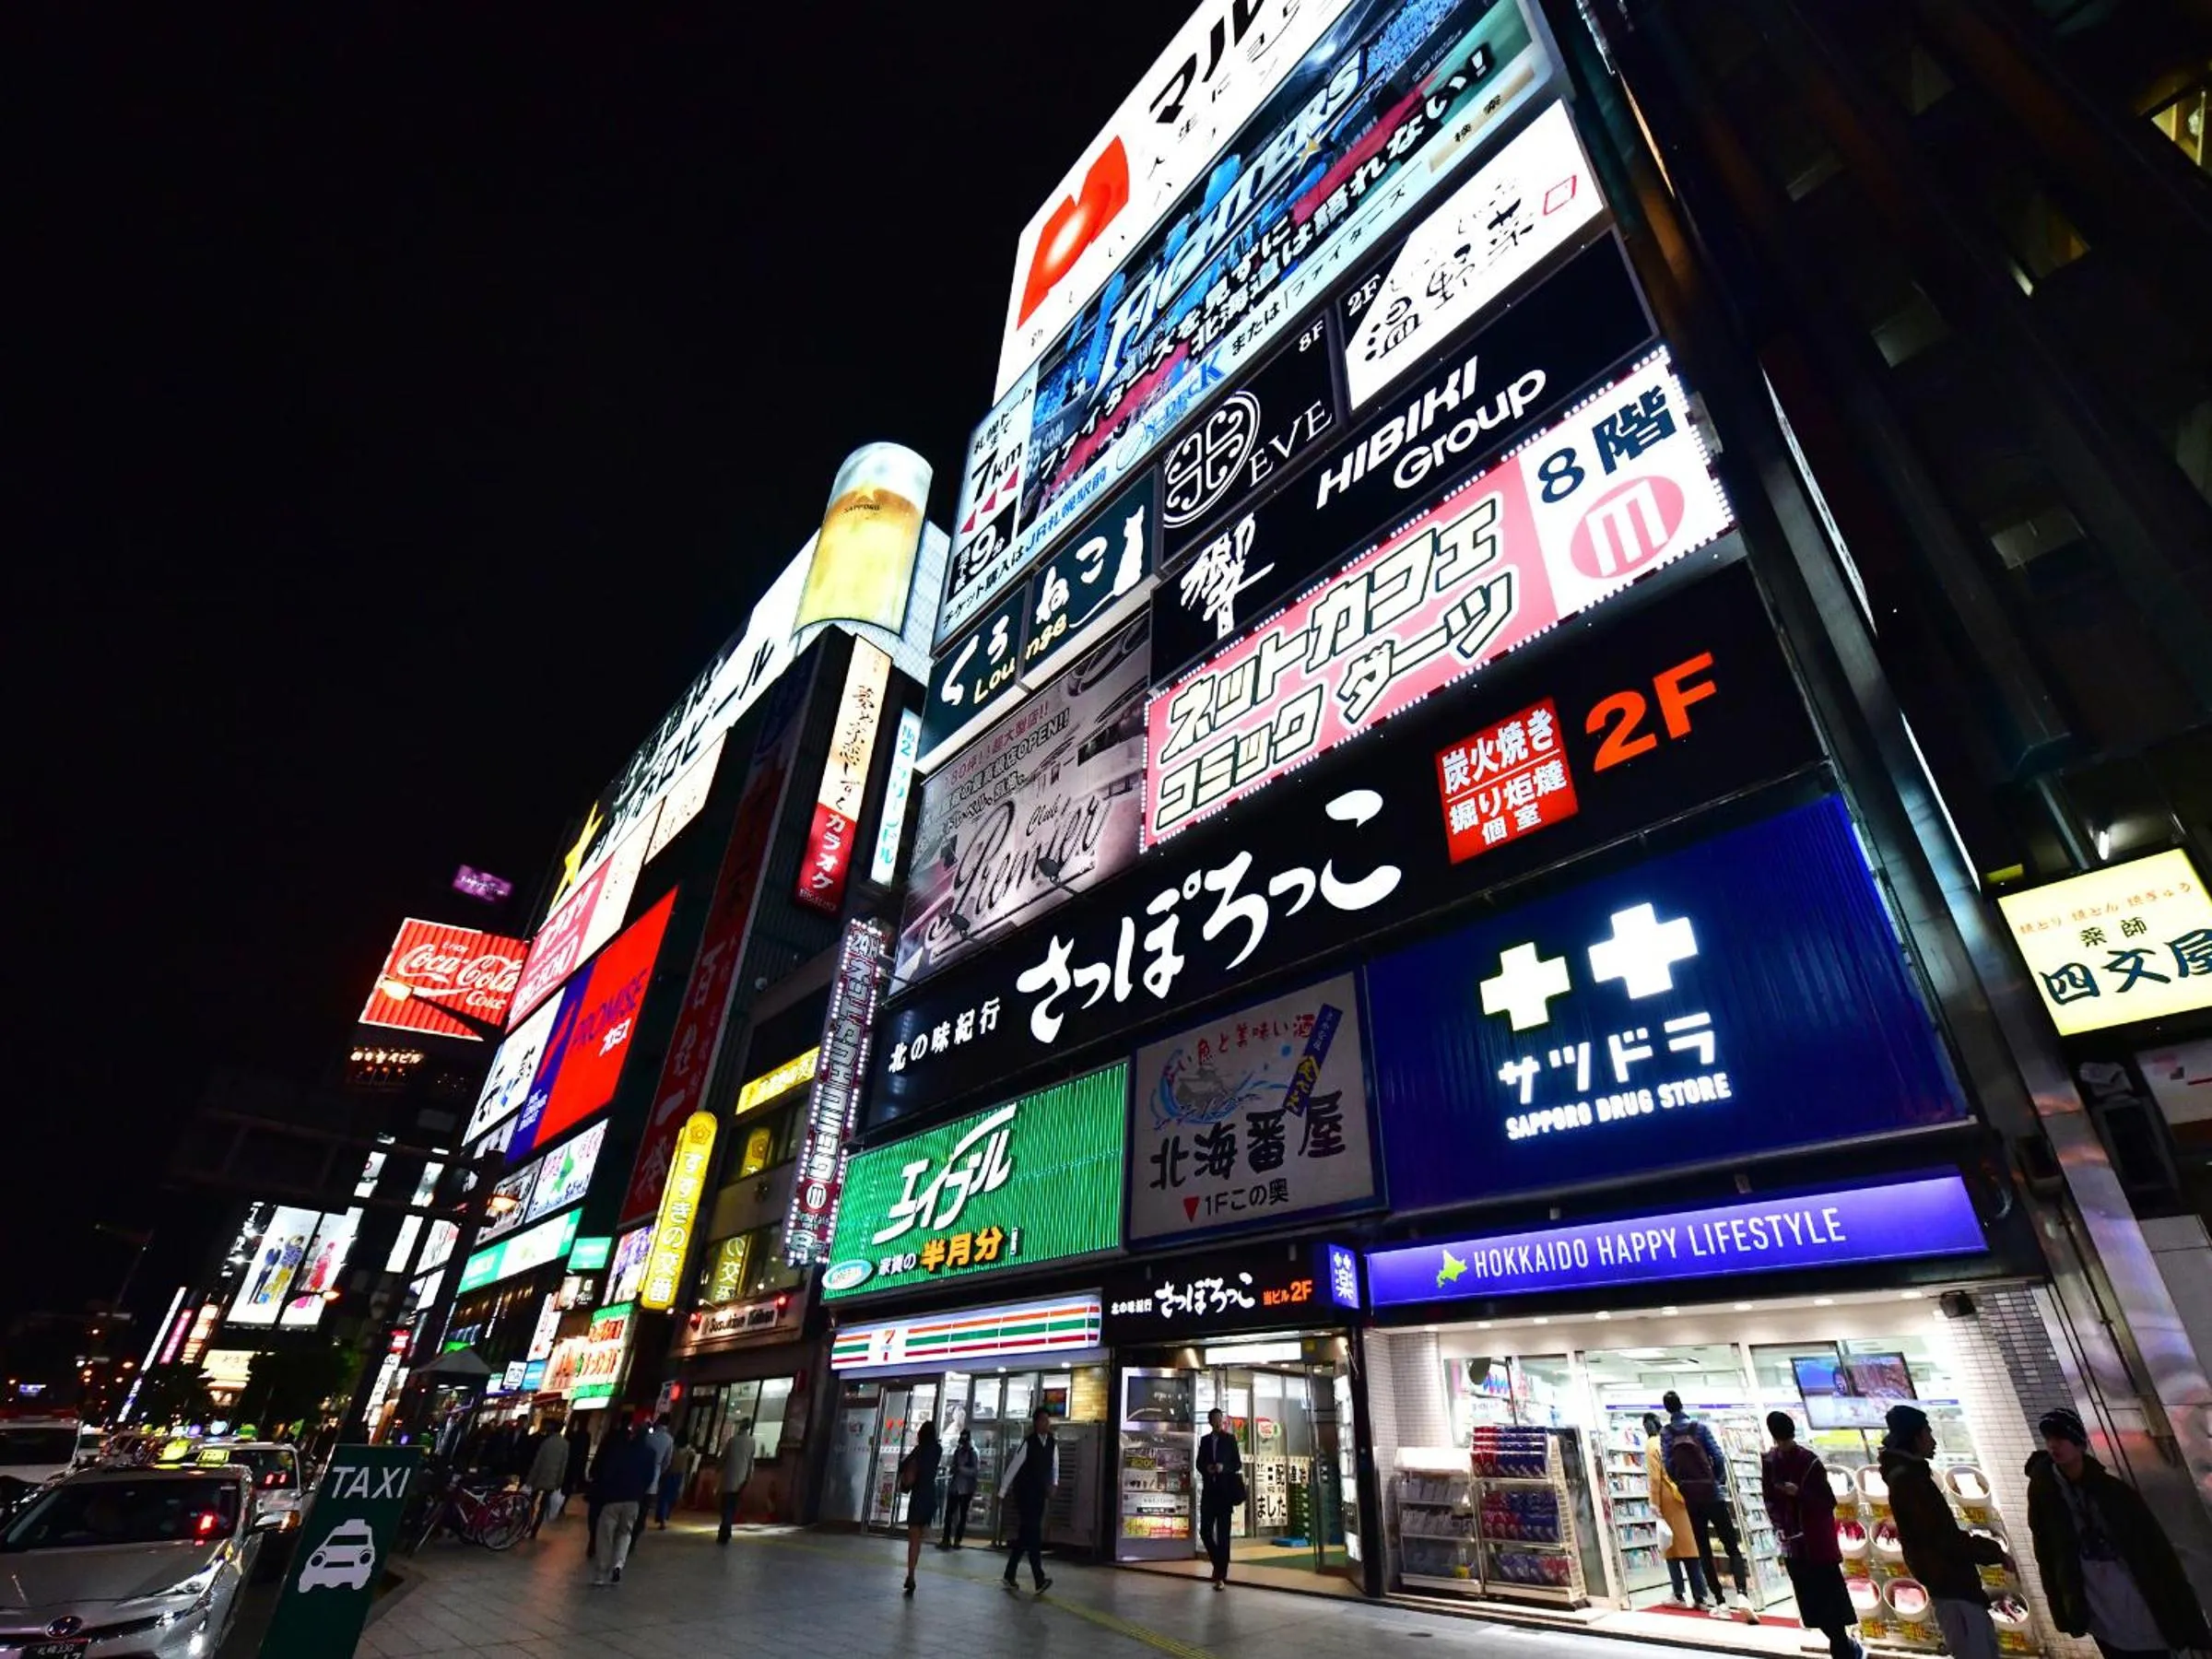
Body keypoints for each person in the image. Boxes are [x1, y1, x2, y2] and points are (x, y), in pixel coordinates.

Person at [2025, 1406, 2211, 1659]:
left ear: (2080, 1444)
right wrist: (2064, 1610)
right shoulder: (2045, 1493)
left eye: (2061, 1438)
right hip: (2097, 1607)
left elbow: (2156, 1553)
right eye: (2049, 1439)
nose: (2054, 1445)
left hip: (2136, 1600)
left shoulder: (2113, 1492)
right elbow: (2047, 1553)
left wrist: (2188, 1619)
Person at [1880, 1405, 2006, 1659]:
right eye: (1928, 1432)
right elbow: (1942, 1536)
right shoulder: (1910, 1481)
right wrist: (1993, 1552)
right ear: (1915, 1438)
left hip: (1946, 1581)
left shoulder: (1908, 1476)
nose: (1933, 1440)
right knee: (1977, 1651)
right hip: (1951, 1581)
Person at [1763, 1411, 1861, 1659]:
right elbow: (1772, 1499)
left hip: (1807, 1545)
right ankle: (1845, 1648)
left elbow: (1826, 1501)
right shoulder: (1789, 1461)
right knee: (1824, 1603)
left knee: (1822, 1603)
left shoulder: (1803, 1462)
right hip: (1810, 1544)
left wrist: (1798, 1495)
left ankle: (1844, 1648)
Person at [1660, 1391, 1757, 1619]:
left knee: (1703, 1550)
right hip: (1713, 1494)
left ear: (1666, 1409)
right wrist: (1717, 1481)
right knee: (1731, 1545)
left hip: (1692, 1498)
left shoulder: (1666, 1433)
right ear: (1682, 1404)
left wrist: (1682, 1485)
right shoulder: (1700, 1428)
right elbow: (1718, 1456)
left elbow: (1668, 1465)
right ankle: (1742, 1594)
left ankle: (1721, 1602)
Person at [1644, 1411, 1710, 1608]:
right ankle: (1700, 1596)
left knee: (1670, 1548)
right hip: (1684, 1494)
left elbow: (1655, 1477)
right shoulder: (1668, 1438)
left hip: (1667, 1498)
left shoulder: (1651, 1445)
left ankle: (1678, 1594)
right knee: (1691, 1548)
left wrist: (1654, 1502)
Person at [586, 1418, 657, 1586]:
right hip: (633, 1500)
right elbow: (649, 1477)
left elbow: (608, 1472)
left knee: (605, 1535)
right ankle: (618, 1564)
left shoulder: (620, 1450)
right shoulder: (650, 1453)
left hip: (613, 1498)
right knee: (625, 1534)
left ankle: (601, 1572)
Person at [1000, 1406, 1058, 1595]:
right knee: (1033, 1534)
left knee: (1026, 1535)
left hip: (1040, 1494)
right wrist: (1002, 1491)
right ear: (1035, 1423)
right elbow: (1014, 1467)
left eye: (1048, 1420)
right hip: (1024, 1494)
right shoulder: (1028, 1443)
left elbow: (1055, 1465)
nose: (1046, 1424)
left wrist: (1054, 1484)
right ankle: (1038, 1578)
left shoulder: (1051, 1442)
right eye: (1042, 1420)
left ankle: (1009, 1574)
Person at [1196, 1407, 1243, 1590]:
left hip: (1225, 1493)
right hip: (1209, 1492)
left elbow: (1237, 1463)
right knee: (1205, 1531)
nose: (1217, 1422)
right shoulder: (1205, 1441)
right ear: (1210, 1422)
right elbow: (1199, 1462)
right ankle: (1218, 1563)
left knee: (1224, 1535)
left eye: (1220, 1419)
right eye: (1214, 1419)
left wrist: (1224, 1468)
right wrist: (1206, 1468)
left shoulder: (1230, 1439)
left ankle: (1221, 1575)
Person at [900, 1421, 942, 1597]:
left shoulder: (919, 1450)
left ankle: (911, 1575)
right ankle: (912, 1573)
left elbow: (904, 1466)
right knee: (919, 1538)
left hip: (918, 1497)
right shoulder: (937, 1450)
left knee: (914, 1539)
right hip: (930, 1495)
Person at [633, 1414, 675, 1545]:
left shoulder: (649, 1437)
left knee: (636, 1503)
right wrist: (660, 1471)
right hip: (654, 1475)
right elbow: (667, 1461)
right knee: (645, 1506)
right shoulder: (669, 1440)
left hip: (639, 1472)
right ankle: (636, 1532)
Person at [526, 1418, 570, 1537]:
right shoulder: (565, 1444)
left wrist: (531, 1479)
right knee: (543, 1506)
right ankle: (535, 1529)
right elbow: (563, 1465)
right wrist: (560, 1481)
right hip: (552, 1479)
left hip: (539, 1476)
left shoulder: (546, 1442)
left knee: (532, 1501)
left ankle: (526, 1524)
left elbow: (538, 1461)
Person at [717, 1417, 755, 1545]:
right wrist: (749, 1477)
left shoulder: (733, 1441)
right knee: (732, 1506)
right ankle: (727, 1530)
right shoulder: (751, 1442)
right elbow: (751, 1463)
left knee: (726, 1506)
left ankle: (724, 1530)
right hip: (741, 1480)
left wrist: (718, 1468)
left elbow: (723, 1458)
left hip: (729, 1478)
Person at [939, 1429, 979, 1549]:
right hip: (955, 1487)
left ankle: (957, 1540)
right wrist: (953, 1468)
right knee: (949, 1514)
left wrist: (961, 1469)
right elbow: (953, 1465)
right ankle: (946, 1539)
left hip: (966, 1489)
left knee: (962, 1516)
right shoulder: (958, 1451)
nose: (963, 1444)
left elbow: (975, 1471)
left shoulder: (973, 1453)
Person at [658, 1436, 699, 1528]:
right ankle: (665, 1516)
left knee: (664, 1496)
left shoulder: (673, 1447)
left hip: (669, 1472)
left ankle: (662, 1517)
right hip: (679, 1474)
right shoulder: (687, 1449)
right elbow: (694, 1454)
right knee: (672, 1496)